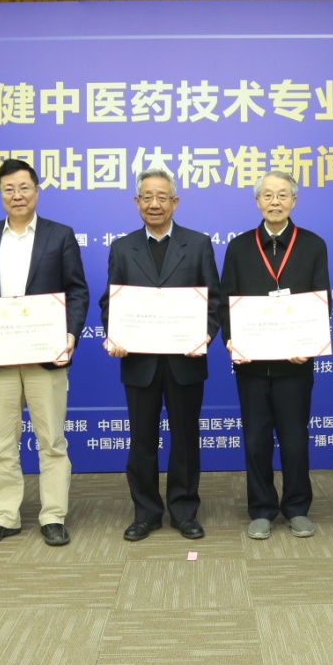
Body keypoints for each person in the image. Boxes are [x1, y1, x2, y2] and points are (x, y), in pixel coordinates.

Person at [0, 159, 89, 548]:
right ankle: (3, 515)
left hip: (45, 355)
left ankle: (53, 515)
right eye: (9, 189)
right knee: (1, 442)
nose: (17, 195)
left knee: (52, 441)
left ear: (37, 191)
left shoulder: (59, 235)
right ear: (0, 193)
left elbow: (77, 291)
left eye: (24, 187)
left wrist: (70, 333)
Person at [100, 168, 221, 541]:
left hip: (186, 360)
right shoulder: (122, 247)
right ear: (137, 202)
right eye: (147, 197)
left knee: (185, 440)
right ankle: (146, 513)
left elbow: (214, 301)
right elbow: (110, 303)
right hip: (139, 362)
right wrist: (115, 335)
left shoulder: (198, 244)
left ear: (175, 202)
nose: (155, 204)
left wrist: (205, 335)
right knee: (141, 441)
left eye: (162, 197)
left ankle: (184, 512)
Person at [220, 170, 329, 540]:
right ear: (257, 201)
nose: (275, 201)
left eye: (283, 195)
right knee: (256, 440)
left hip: (295, 365)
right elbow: (226, 300)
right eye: (268, 195)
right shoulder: (239, 247)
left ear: (294, 201)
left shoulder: (313, 245)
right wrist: (231, 340)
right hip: (251, 365)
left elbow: (321, 300)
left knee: (295, 440)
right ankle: (262, 509)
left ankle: (297, 507)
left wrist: (310, 343)